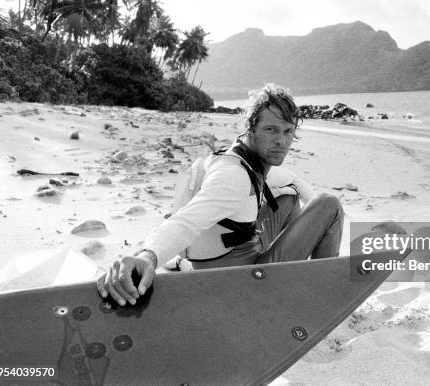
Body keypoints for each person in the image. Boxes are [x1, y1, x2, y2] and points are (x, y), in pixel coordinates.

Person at [97, 84, 344, 306]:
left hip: (216, 262)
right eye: (271, 130)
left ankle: (297, 275)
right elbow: (186, 221)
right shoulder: (233, 177)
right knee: (330, 204)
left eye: (288, 131)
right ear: (251, 129)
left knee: (288, 199)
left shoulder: (236, 158)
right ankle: (320, 291)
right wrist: (148, 256)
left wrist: (313, 225)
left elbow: (290, 180)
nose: (281, 141)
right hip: (240, 283)